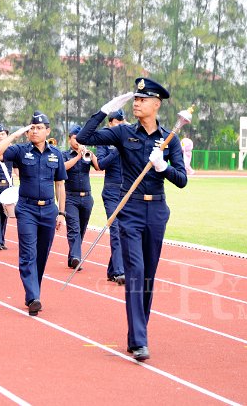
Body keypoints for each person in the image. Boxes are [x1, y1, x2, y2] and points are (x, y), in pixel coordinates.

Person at [76, 78, 187, 362]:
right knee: (135, 273)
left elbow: (182, 180)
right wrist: (105, 109)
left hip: (157, 212)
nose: (137, 103)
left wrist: (163, 166)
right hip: (131, 210)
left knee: (148, 277)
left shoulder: (168, 138)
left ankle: (137, 334)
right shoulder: (123, 133)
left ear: (157, 104)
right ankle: (140, 340)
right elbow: (85, 137)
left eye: (143, 99)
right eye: (135, 99)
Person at [0, 112, 66, 317]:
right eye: (31, 127)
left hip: (49, 210)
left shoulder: (56, 154)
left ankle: (33, 292)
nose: (34, 131)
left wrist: (61, 213)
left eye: (39, 128)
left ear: (47, 131)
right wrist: (14, 135)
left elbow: (60, 184)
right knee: (28, 254)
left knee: (41, 255)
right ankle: (33, 296)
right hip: (27, 209)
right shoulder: (21, 151)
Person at [62, 125, 100, 270]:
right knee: (74, 228)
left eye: (80, 139)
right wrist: (78, 156)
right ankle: (77, 257)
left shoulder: (87, 154)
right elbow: (63, 168)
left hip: (87, 197)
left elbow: (98, 167)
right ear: (69, 139)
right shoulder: (65, 154)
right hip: (70, 197)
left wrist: (91, 154)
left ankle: (73, 257)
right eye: (75, 139)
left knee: (81, 229)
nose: (77, 142)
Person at [96, 110, 125, 284]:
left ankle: (112, 269)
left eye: (123, 121)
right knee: (116, 230)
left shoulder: (129, 138)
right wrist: (116, 150)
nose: (121, 124)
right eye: (117, 121)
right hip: (111, 192)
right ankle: (120, 272)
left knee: (125, 231)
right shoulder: (104, 140)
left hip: (128, 192)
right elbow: (100, 164)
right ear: (110, 123)